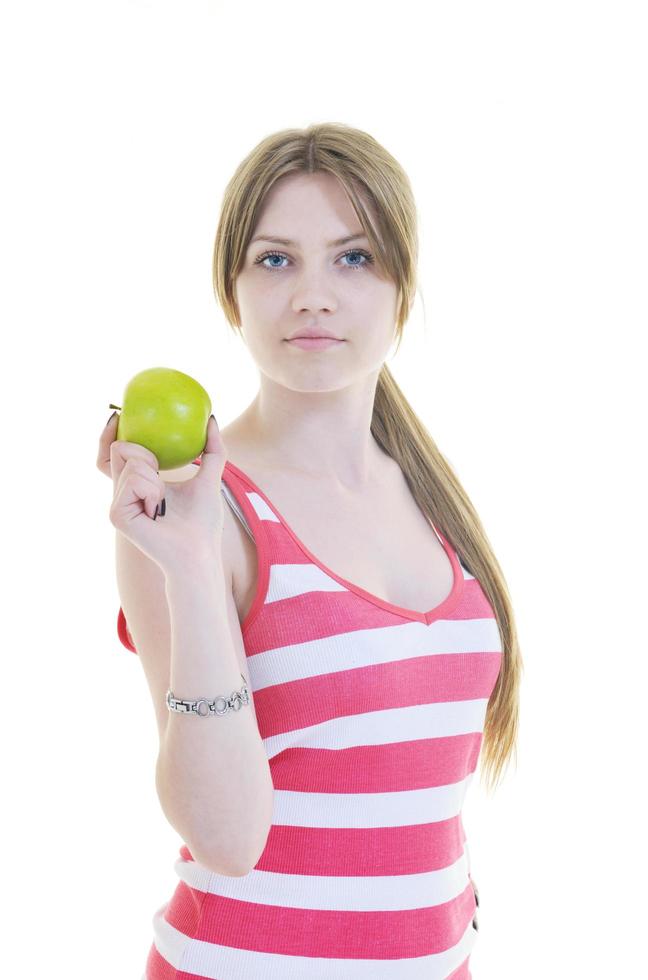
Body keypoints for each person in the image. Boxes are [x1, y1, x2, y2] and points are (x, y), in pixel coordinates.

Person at [97, 122, 522, 980]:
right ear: (233, 289)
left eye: (355, 258)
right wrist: (185, 562)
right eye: (276, 259)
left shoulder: (431, 495)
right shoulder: (196, 508)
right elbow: (224, 838)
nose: (315, 295)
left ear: (404, 284)